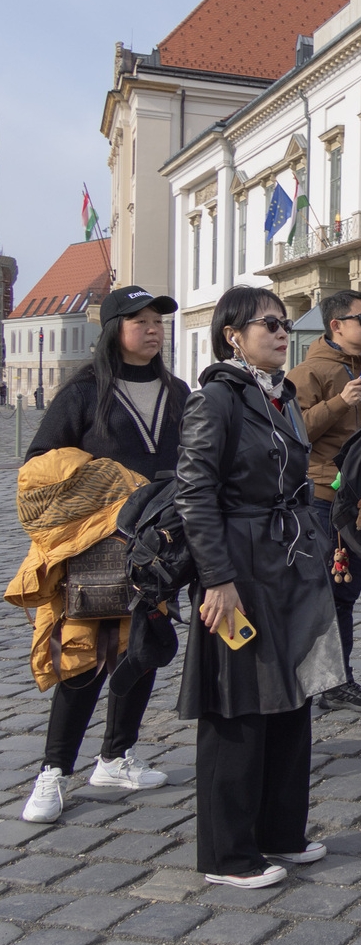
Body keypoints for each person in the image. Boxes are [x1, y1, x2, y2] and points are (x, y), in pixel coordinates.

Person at [176, 286, 344, 887]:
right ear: (233, 335)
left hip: (288, 563)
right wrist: (217, 580)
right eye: (268, 323)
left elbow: (296, 481)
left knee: (292, 694)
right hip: (238, 567)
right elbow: (195, 495)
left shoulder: (283, 396)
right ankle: (227, 855)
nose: (281, 331)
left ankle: (280, 832)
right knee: (238, 704)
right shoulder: (216, 399)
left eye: (283, 322)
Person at [12, 286, 188, 823]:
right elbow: (40, 466)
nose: (153, 328)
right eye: (140, 320)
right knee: (84, 655)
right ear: (115, 330)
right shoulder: (85, 392)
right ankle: (53, 771)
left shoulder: (177, 392)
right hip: (96, 548)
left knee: (143, 648)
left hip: (158, 547)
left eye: (158, 320)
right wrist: (114, 484)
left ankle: (116, 756)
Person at [286, 290, 361, 714]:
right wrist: (338, 403)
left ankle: (337, 679)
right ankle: (325, 682)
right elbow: (294, 433)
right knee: (325, 594)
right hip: (323, 498)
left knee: (345, 596)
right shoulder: (309, 372)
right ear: (336, 326)